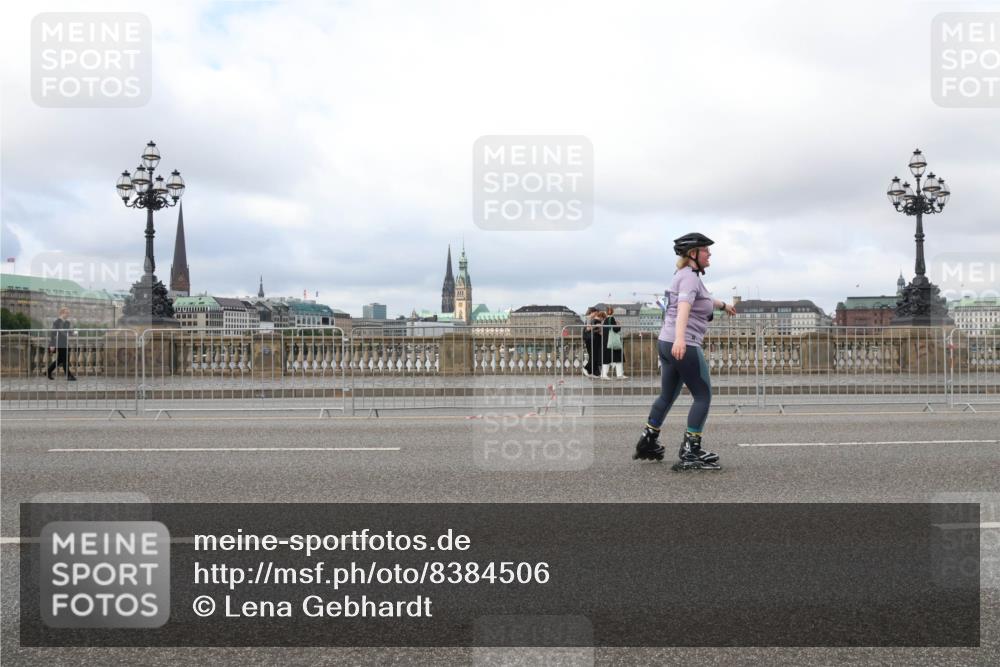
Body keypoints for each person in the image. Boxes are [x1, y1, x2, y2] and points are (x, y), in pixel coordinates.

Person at [633, 233, 736, 470]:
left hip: (665, 342)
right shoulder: (690, 278)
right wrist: (681, 339)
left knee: (667, 395)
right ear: (693, 254)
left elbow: (706, 299)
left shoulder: (683, 276)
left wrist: (724, 306)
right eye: (705, 250)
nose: (709, 254)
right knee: (703, 395)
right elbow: (684, 308)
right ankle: (691, 451)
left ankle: (648, 439)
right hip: (684, 343)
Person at [47, 307, 77, 381]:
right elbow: (53, 334)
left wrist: (73, 333)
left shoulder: (67, 322)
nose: (68, 314)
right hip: (59, 342)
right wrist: (52, 345)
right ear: (62, 313)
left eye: (68, 313)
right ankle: (69, 376)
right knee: (65, 359)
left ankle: (48, 371)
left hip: (64, 342)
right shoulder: (57, 322)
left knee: (60, 360)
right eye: (66, 313)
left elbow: (67, 332)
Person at [602, 306, 627, 379]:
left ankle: (604, 374)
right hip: (613, 342)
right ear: (612, 311)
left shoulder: (605, 320)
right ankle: (619, 374)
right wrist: (618, 325)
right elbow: (615, 329)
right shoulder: (612, 319)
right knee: (618, 358)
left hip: (606, 341)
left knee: (606, 359)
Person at [581, 307, 597, 377]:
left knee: (593, 355)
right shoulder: (589, 318)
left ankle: (590, 371)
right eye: (595, 313)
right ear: (592, 312)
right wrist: (595, 326)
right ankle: (585, 368)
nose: (596, 314)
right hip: (589, 339)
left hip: (589, 339)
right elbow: (587, 328)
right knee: (593, 355)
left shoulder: (589, 318)